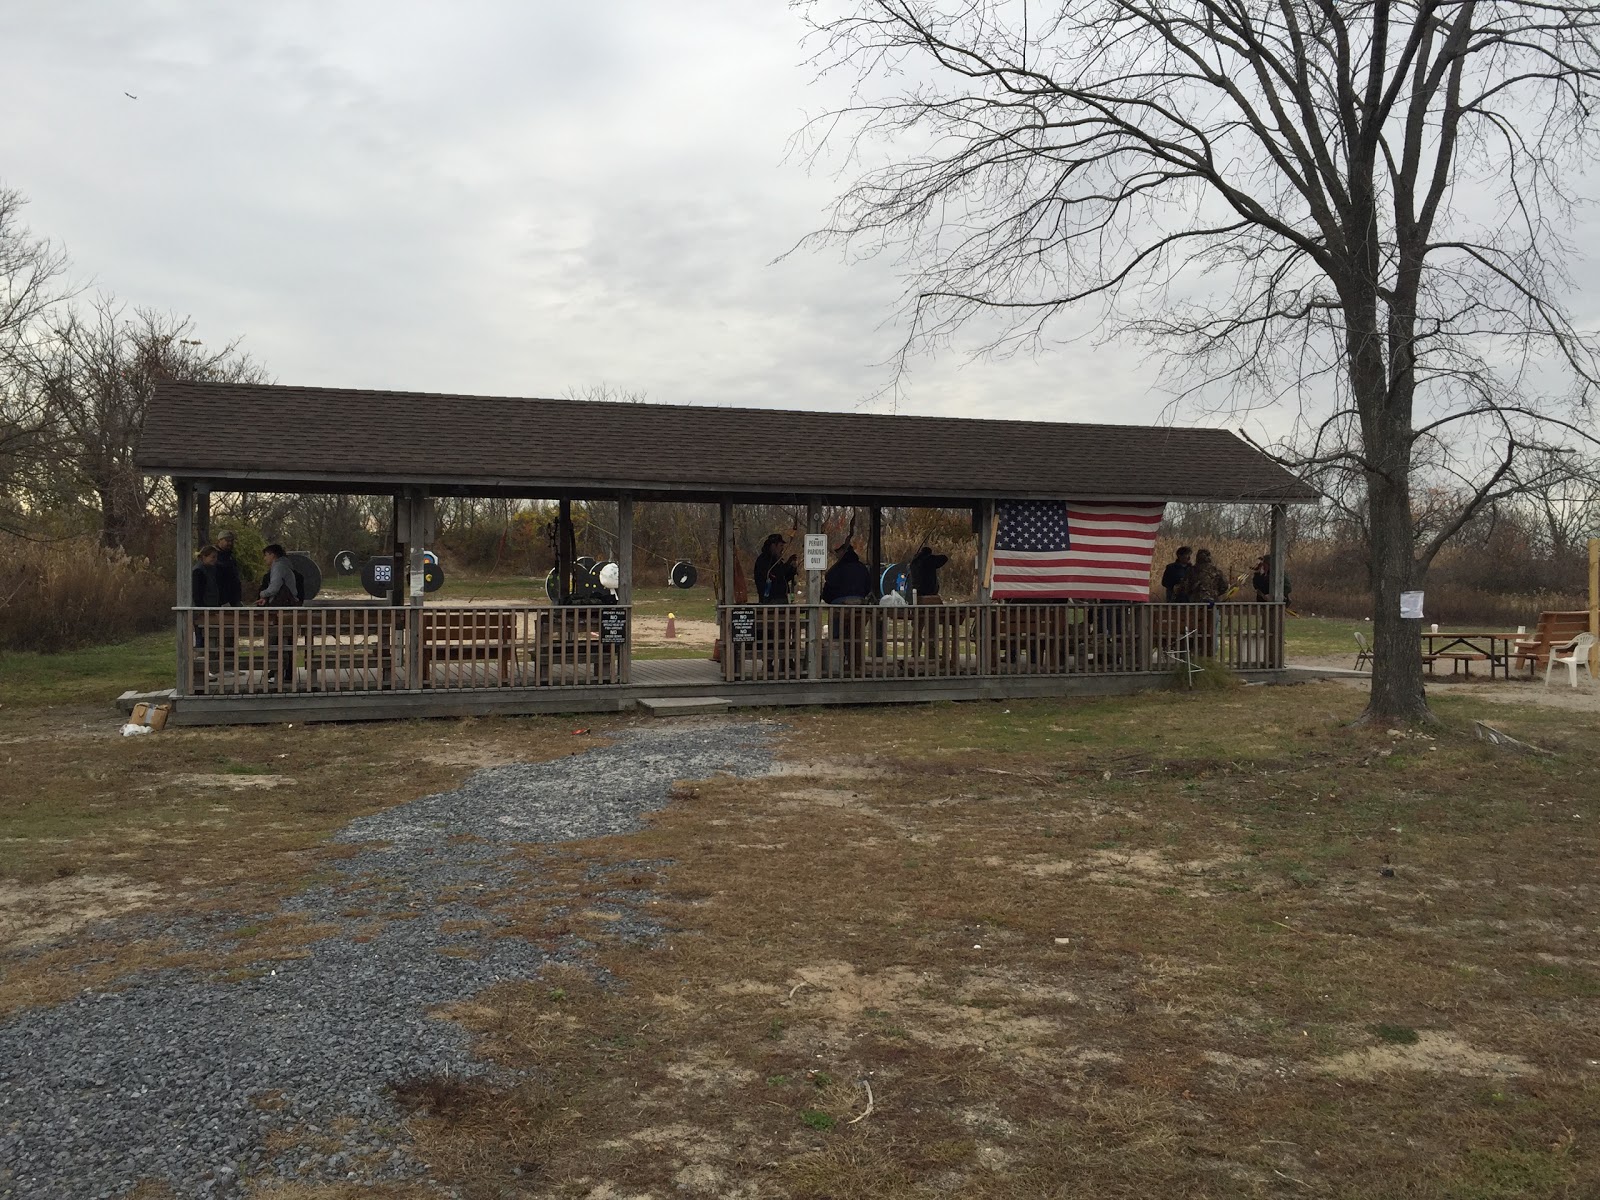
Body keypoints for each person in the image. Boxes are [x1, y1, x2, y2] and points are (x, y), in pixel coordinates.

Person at [256, 543, 300, 686]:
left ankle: (278, 672)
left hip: (282, 609)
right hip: (289, 609)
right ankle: (284, 673)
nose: (264, 559)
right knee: (286, 641)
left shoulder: (278, 567)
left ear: (272, 555)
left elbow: (274, 587)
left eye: (266, 555)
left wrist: (263, 594)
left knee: (277, 641)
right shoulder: (287, 566)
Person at [753, 533, 797, 604]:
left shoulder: (777, 560)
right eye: (781, 546)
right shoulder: (764, 560)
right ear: (773, 546)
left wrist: (792, 569)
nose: (782, 548)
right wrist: (788, 564)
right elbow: (775, 575)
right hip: (770, 600)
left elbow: (784, 577)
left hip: (781, 599)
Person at [214, 529, 244, 606]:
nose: (230, 543)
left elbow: (235, 579)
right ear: (219, 540)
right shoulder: (214, 557)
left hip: (233, 598)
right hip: (220, 599)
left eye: (231, 541)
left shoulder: (231, 557)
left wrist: (238, 598)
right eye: (227, 540)